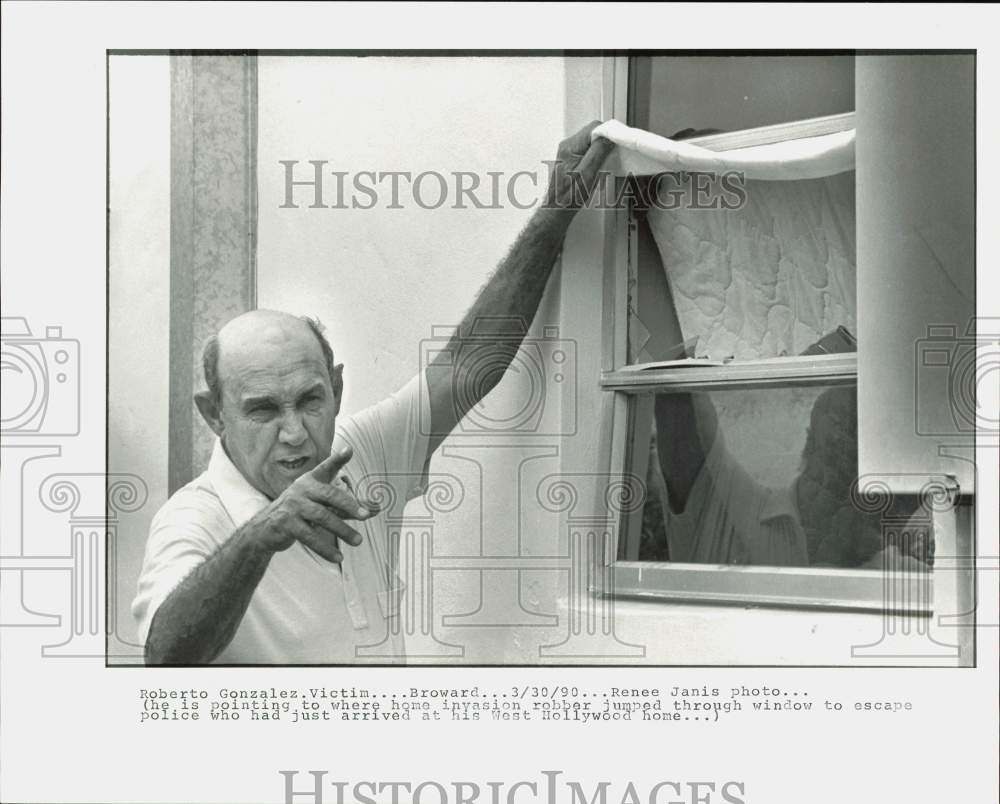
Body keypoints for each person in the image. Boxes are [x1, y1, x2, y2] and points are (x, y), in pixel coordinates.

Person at [132, 122, 616, 665]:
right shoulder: (194, 518)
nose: (294, 433)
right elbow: (164, 658)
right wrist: (260, 537)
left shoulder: (361, 452)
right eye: (262, 410)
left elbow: (465, 368)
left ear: (336, 388)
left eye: (310, 400)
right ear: (214, 415)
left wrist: (558, 210)